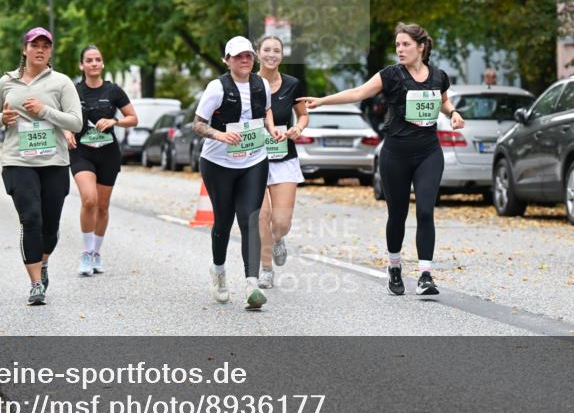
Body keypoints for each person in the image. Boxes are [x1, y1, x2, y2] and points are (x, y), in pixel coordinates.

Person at [299, 22, 465, 297]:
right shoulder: (390, 75)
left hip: (428, 152)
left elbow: (443, 101)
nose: (400, 49)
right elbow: (357, 93)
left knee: (425, 210)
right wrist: (323, 100)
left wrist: (453, 112)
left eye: (405, 44)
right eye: (397, 45)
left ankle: (425, 275)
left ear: (421, 47)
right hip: (395, 154)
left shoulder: (439, 76)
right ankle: (395, 266)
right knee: (397, 214)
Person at [0, 27, 82, 306]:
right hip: (18, 161)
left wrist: (45, 111)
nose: (40, 49)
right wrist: (2, 118)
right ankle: (36, 284)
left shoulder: (62, 82)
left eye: (45, 46)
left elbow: (76, 122)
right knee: (31, 219)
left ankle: (44, 261)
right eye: (34, 44)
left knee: (50, 225)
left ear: (50, 51)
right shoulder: (7, 82)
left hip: (53, 162)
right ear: (24, 49)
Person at [192, 36, 282, 310]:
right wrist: (220, 134)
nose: (244, 60)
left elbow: (265, 110)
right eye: (238, 56)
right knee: (223, 220)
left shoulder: (261, 85)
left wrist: (272, 129)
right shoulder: (216, 88)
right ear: (227, 60)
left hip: (254, 159)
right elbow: (198, 124)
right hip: (219, 163)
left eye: (248, 56)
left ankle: (251, 284)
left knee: (250, 218)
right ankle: (218, 271)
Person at [63, 45, 138, 276]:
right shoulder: (73, 91)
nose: (94, 63)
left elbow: (133, 118)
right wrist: (66, 132)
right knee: (89, 200)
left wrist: (115, 122)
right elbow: (61, 118)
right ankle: (86, 252)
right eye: (89, 60)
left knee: (103, 207)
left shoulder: (114, 90)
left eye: (98, 59)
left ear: (102, 64)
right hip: (81, 151)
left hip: (107, 153)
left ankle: (96, 252)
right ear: (81, 65)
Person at [255, 36, 308, 289]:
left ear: (282, 55)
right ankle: (266, 269)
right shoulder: (249, 83)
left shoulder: (292, 84)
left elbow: (303, 116)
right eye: (267, 50)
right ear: (258, 53)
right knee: (261, 216)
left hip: (284, 157)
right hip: (253, 159)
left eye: (276, 50)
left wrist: (298, 128)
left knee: (281, 222)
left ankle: (277, 240)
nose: (271, 54)